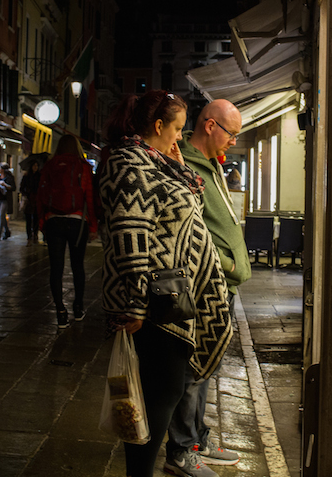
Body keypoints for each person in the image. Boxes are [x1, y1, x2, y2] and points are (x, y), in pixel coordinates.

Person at [98, 91, 232, 477]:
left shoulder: (154, 162)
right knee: (160, 393)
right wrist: (136, 303)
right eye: (175, 129)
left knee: (165, 391)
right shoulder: (128, 164)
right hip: (154, 303)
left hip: (169, 297)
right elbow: (129, 235)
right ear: (157, 126)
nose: (178, 139)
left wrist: (175, 165)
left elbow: (190, 200)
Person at [166, 100, 251, 473]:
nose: (234, 141)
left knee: (206, 367)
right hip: (205, 284)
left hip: (222, 285)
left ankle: (197, 438)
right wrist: (226, 263)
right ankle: (181, 450)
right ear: (210, 125)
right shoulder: (184, 165)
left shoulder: (212, 165)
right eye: (231, 133)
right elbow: (189, 226)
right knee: (192, 368)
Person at [37, 136, 95, 327]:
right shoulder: (83, 166)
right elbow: (89, 197)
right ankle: (78, 307)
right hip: (78, 221)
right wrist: (93, 225)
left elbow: (41, 194)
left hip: (54, 221)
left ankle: (60, 311)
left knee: (56, 268)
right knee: (78, 266)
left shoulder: (50, 165)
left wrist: (41, 222)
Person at [19, 160, 42, 246]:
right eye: (34, 165)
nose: (35, 167)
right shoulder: (26, 176)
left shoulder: (39, 176)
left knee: (36, 218)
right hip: (29, 200)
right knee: (28, 219)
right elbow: (21, 187)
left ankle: (35, 234)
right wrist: (26, 193)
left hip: (36, 199)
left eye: (36, 166)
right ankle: (29, 237)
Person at [0, 162, 16, 240]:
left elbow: (13, 188)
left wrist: (5, 185)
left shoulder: (10, 178)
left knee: (1, 215)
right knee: (2, 216)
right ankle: (7, 231)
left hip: (5, 199)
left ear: (3, 169)